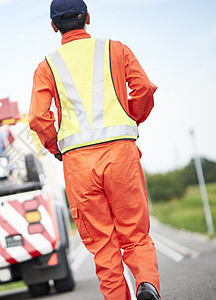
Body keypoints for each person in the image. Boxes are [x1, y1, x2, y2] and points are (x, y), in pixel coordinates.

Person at [28, 1, 161, 299]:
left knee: (104, 248)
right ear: (87, 18)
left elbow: (38, 117)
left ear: (53, 26)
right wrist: (131, 118)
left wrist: (55, 147)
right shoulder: (116, 49)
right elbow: (144, 89)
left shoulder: (46, 67)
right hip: (121, 156)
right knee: (135, 236)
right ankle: (146, 283)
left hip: (78, 165)